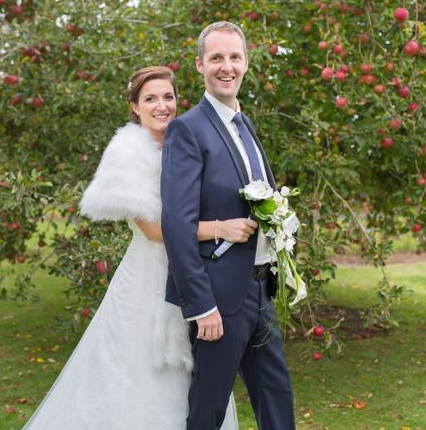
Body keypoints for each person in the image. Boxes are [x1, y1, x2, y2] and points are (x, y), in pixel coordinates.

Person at [22, 66, 252, 429]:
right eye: (150, 99)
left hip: (196, 273)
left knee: (201, 377)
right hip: (150, 280)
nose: (161, 106)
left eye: (168, 97)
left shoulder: (190, 141)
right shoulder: (129, 153)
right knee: (140, 376)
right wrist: (220, 228)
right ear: (134, 106)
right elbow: (155, 229)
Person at [161, 22, 296, 429]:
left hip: (260, 292)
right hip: (218, 300)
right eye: (216, 58)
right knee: (208, 411)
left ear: (246, 64)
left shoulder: (245, 124)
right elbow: (177, 224)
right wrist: (202, 306)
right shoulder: (187, 129)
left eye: (234, 57)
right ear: (200, 65)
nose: (227, 66)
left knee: (277, 399)